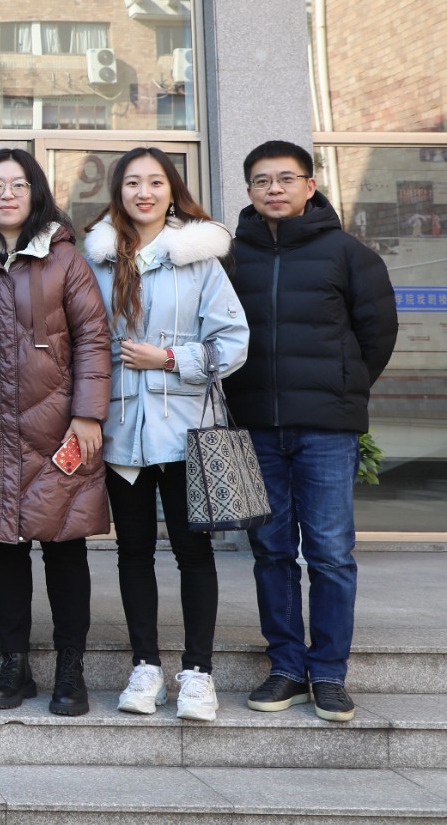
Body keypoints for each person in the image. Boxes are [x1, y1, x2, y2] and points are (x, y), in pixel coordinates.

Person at [0, 147, 111, 717]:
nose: (5, 195)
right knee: (3, 547)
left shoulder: (65, 259)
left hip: (58, 426)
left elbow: (94, 338)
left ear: (36, 193)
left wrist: (88, 413)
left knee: (64, 547)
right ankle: (14, 665)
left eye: (17, 185)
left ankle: (70, 669)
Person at [226, 140, 397, 724]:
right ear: (249, 190)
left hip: (326, 428)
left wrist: (343, 387)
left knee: (329, 553)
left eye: (285, 179)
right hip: (255, 426)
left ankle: (328, 673)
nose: (273, 189)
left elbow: (378, 335)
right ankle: (286, 667)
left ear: (310, 184)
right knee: (271, 551)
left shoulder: (348, 254)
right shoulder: (231, 258)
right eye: (261, 181)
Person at [83, 148, 248, 723]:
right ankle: (145, 667)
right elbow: (82, 343)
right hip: (121, 430)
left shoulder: (199, 260)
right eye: (132, 183)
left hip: (185, 432)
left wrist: (170, 358)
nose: (144, 192)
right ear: (119, 193)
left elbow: (233, 342)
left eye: (155, 182)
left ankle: (198, 674)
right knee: (132, 553)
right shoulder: (97, 262)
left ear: (172, 192)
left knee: (193, 552)